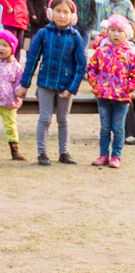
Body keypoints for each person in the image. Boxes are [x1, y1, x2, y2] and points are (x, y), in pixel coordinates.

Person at [16, 0, 85, 166]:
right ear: (50, 13)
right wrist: (24, 85)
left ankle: (64, 152)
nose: (62, 15)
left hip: (66, 86)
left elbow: (81, 65)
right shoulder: (43, 33)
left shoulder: (76, 37)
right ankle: (41, 153)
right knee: (45, 118)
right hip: (45, 83)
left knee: (63, 119)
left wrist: (72, 88)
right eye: (58, 11)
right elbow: (32, 60)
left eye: (65, 12)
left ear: (72, 16)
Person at [86, 13, 135, 168]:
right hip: (103, 97)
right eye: (112, 30)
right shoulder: (101, 52)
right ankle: (103, 155)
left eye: (119, 31)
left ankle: (116, 156)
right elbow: (91, 69)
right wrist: (96, 85)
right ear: (107, 31)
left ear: (126, 34)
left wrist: (126, 89)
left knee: (118, 127)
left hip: (121, 99)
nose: (115, 34)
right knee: (105, 128)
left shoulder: (130, 54)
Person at [0, 30, 24, 159]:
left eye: (5, 45)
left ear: (12, 48)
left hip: (8, 103)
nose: (1, 48)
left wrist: (19, 93)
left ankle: (14, 150)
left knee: (10, 126)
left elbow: (19, 83)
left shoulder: (16, 66)